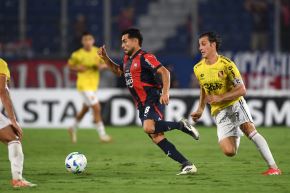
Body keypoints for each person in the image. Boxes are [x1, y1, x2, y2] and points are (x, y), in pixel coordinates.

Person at [98, 28, 199, 175]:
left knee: (148, 127)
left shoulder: (145, 57)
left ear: (135, 41)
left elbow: (164, 72)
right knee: (157, 137)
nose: (122, 45)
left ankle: (180, 125)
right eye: (121, 42)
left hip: (151, 97)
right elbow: (118, 71)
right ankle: (186, 164)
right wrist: (106, 58)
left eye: (125, 41)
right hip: (140, 104)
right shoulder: (127, 59)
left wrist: (165, 92)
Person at [191, 32, 281, 175]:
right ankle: (237, 129)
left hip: (234, 104)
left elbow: (242, 89)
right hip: (219, 111)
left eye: (203, 44)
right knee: (229, 151)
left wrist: (221, 97)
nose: (200, 48)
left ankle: (274, 168)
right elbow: (204, 88)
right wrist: (200, 108)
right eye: (199, 45)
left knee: (250, 131)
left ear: (213, 45)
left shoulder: (227, 64)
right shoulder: (198, 68)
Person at [67, 32, 111, 143]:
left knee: (85, 109)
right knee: (96, 107)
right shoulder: (77, 54)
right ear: (82, 42)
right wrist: (78, 69)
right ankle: (102, 135)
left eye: (89, 39)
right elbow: (69, 66)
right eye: (85, 40)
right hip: (83, 85)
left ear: (93, 40)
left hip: (93, 85)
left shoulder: (98, 52)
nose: (87, 42)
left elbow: (107, 64)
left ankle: (72, 128)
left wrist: (100, 66)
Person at [0, 58, 37, 187]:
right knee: (13, 139)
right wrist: (13, 120)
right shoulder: (1, 64)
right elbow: (2, 91)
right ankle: (17, 180)